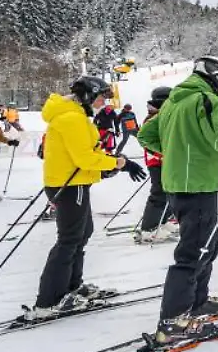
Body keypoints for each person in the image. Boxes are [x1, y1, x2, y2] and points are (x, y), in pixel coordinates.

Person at [138, 57, 218, 343]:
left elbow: (146, 134)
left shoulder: (174, 101)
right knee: (194, 252)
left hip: (181, 184)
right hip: (197, 184)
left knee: (208, 246)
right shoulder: (208, 101)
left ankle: (197, 301)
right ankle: (173, 320)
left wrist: (178, 152)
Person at [26, 76, 147, 320]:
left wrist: (106, 167)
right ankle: (50, 300)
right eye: (101, 97)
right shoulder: (71, 118)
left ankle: (71, 286)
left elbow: (83, 155)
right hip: (70, 185)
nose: (103, 102)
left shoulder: (74, 115)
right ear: (88, 95)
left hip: (73, 183)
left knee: (82, 234)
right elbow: (84, 158)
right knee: (69, 240)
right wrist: (119, 163)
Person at [136, 87, 176, 242]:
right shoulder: (154, 117)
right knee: (159, 194)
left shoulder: (159, 115)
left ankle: (162, 221)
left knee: (168, 193)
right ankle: (149, 228)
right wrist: (163, 154)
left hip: (163, 160)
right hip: (157, 161)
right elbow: (148, 141)